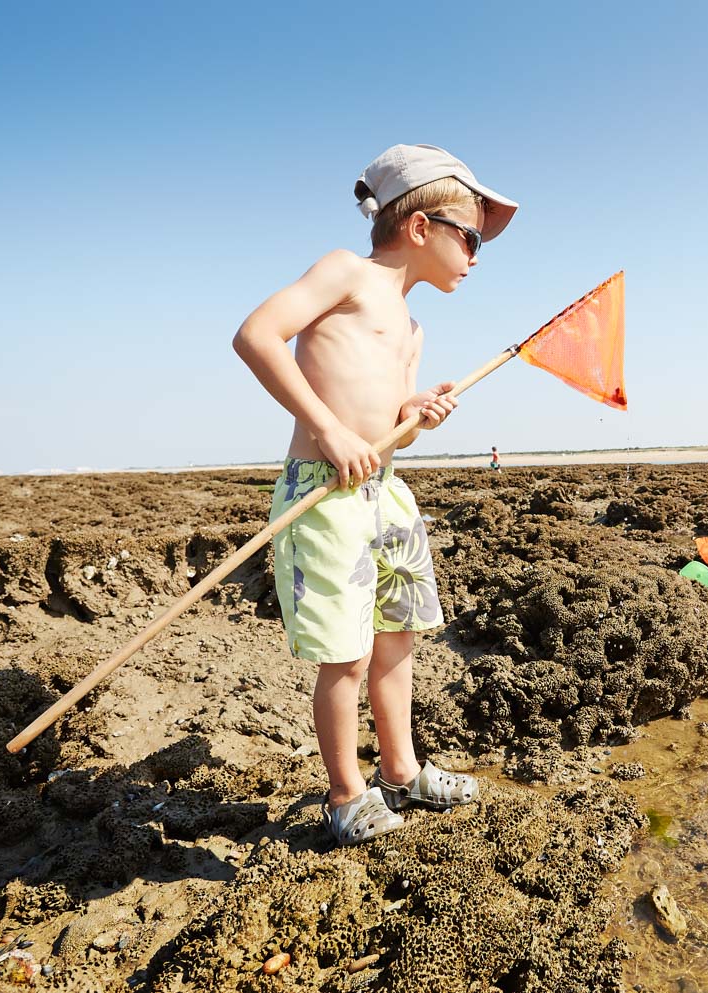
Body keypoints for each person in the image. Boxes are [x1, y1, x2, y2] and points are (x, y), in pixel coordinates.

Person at [232, 144, 517, 845]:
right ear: (420, 228)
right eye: (471, 236)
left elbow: (393, 435)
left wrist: (414, 415)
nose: (477, 254)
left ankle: (400, 769)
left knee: (398, 638)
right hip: (324, 493)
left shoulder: (414, 326)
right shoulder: (346, 273)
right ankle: (345, 793)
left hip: (385, 491)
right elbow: (257, 334)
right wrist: (326, 429)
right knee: (348, 652)